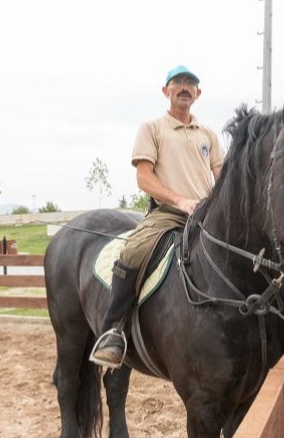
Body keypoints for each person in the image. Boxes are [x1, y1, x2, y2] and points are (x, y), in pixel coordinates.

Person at [90, 65, 225, 368]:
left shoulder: (209, 135)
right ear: (166, 91)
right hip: (168, 214)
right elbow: (144, 179)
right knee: (133, 251)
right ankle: (112, 330)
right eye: (178, 82)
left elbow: (223, 177)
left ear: (198, 93)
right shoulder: (152, 129)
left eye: (191, 83)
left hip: (205, 216)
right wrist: (180, 201)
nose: (185, 87)